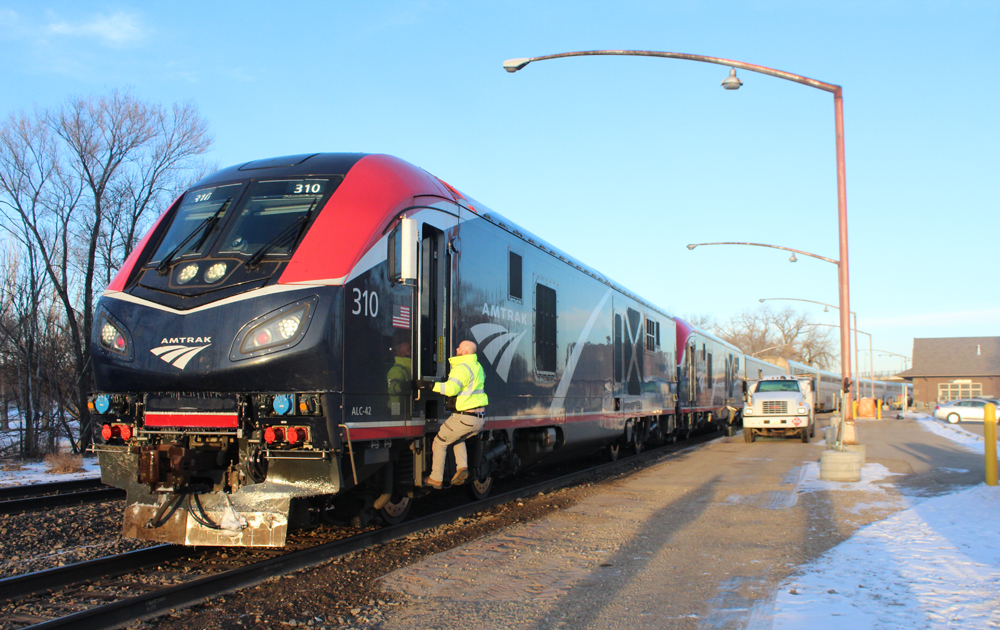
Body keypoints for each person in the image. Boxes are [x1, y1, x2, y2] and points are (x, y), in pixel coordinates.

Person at [416, 340, 488, 489]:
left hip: (464, 417)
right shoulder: (478, 367)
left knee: (439, 442)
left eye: (459, 347)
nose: (456, 348)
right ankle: (462, 468)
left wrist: (428, 385)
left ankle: (435, 478)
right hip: (479, 419)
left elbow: (451, 389)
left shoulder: (462, 368)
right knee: (456, 439)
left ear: (466, 352)